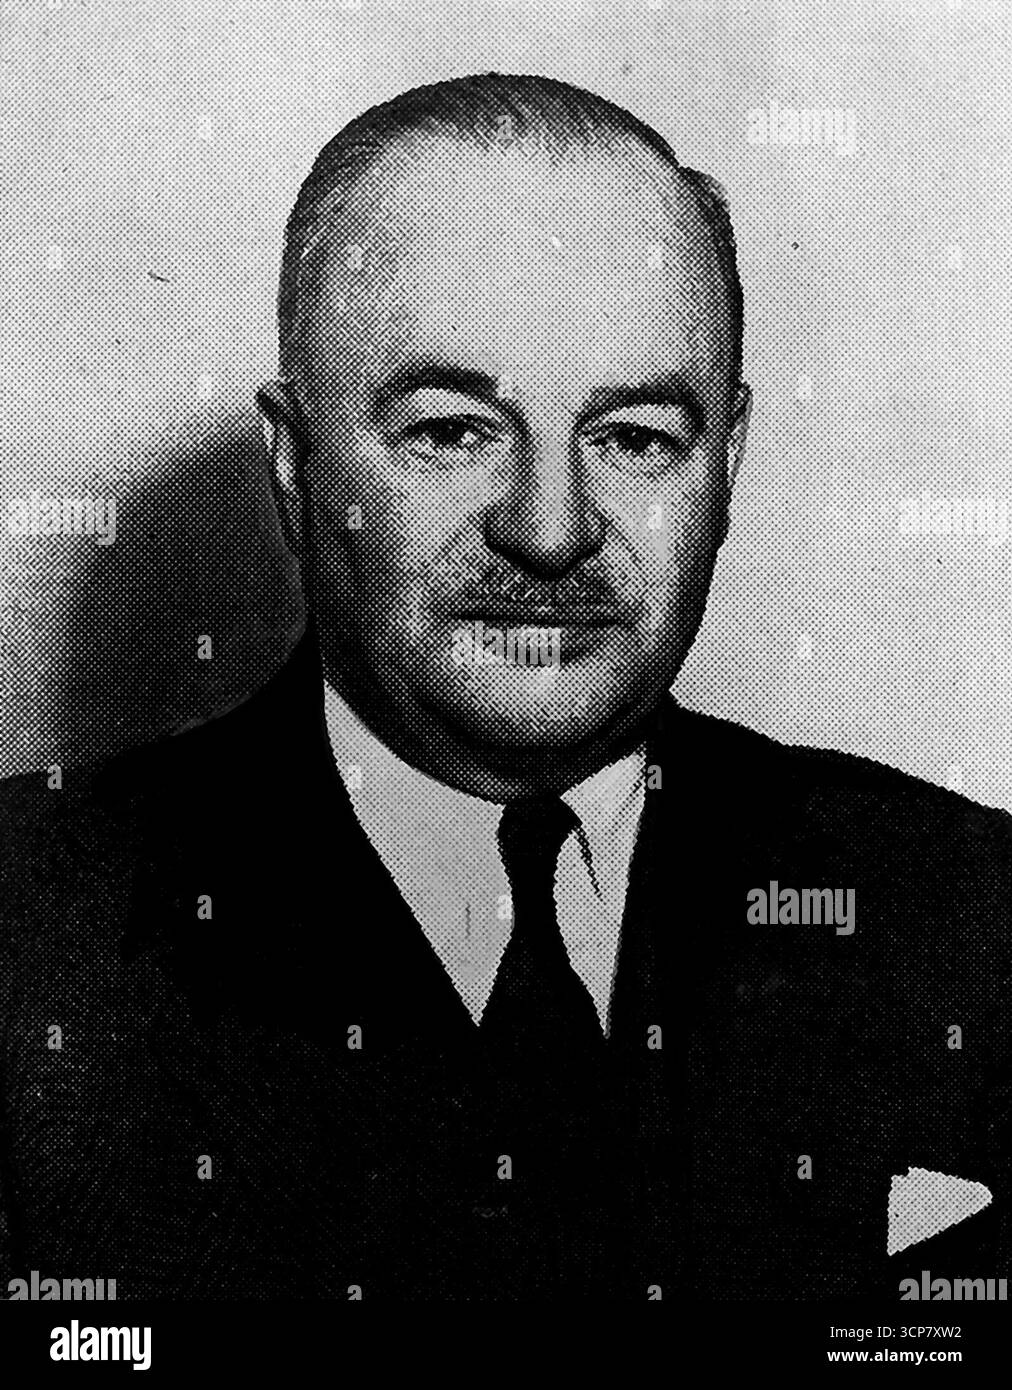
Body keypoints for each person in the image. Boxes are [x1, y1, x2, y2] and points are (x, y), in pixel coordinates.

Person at [1, 73, 1008, 1302]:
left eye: (634, 437)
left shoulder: (969, 916)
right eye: (451, 430)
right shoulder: (32, 939)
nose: (549, 530)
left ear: (727, 464)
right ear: (296, 463)